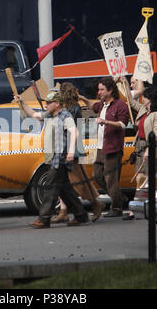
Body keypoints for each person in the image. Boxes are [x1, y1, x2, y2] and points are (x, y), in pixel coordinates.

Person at [18, 91, 89, 228]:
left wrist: (71, 151)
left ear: (57, 104)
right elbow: (33, 114)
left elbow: (75, 132)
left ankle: (44, 219)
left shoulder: (65, 116)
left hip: (60, 158)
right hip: (53, 158)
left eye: (49, 103)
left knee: (50, 187)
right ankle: (81, 215)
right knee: (64, 189)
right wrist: (22, 102)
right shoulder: (49, 115)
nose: (46, 105)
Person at [51, 82, 103, 223]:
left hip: (71, 148)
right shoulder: (69, 108)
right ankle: (63, 211)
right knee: (64, 181)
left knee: (78, 181)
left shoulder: (73, 109)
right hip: (66, 148)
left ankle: (95, 203)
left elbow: (70, 129)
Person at [78, 77, 129, 218]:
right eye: (99, 89)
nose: (99, 92)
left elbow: (124, 124)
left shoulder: (120, 105)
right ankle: (119, 197)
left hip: (113, 147)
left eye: (102, 89)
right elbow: (91, 105)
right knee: (97, 176)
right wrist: (82, 98)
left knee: (111, 180)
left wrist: (105, 121)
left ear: (110, 90)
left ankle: (117, 207)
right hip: (101, 147)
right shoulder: (102, 104)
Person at [123, 79, 157, 191]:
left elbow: (156, 134)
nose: (143, 99)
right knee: (139, 176)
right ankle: (140, 200)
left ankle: (146, 202)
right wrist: (126, 84)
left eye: (145, 97)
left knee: (148, 177)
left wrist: (148, 149)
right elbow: (131, 101)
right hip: (139, 145)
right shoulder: (143, 109)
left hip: (151, 146)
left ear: (150, 99)